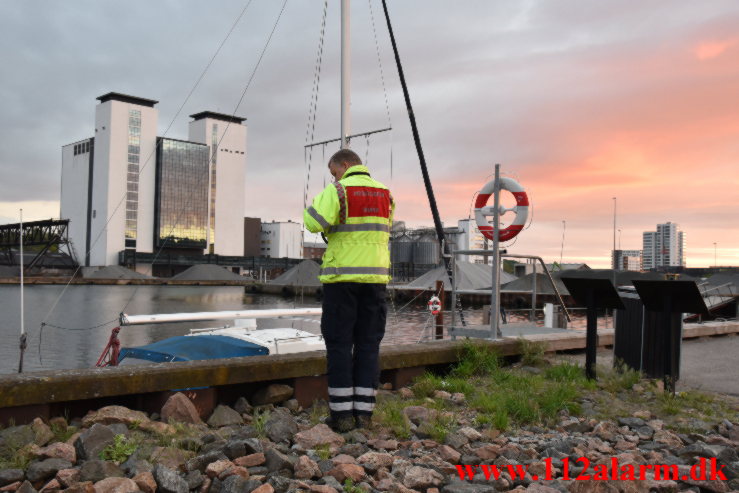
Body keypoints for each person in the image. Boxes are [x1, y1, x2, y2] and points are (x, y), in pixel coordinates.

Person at [303, 148, 394, 432]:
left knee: (340, 344)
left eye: (333, 172)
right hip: (376, 280)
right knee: (368, 344)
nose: (333, 177)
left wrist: (323, 201)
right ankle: (364, 414)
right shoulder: (385, 194)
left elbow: (312, 222)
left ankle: (342, 416)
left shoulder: (338, 191)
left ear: (343, 165)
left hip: (342, 279)